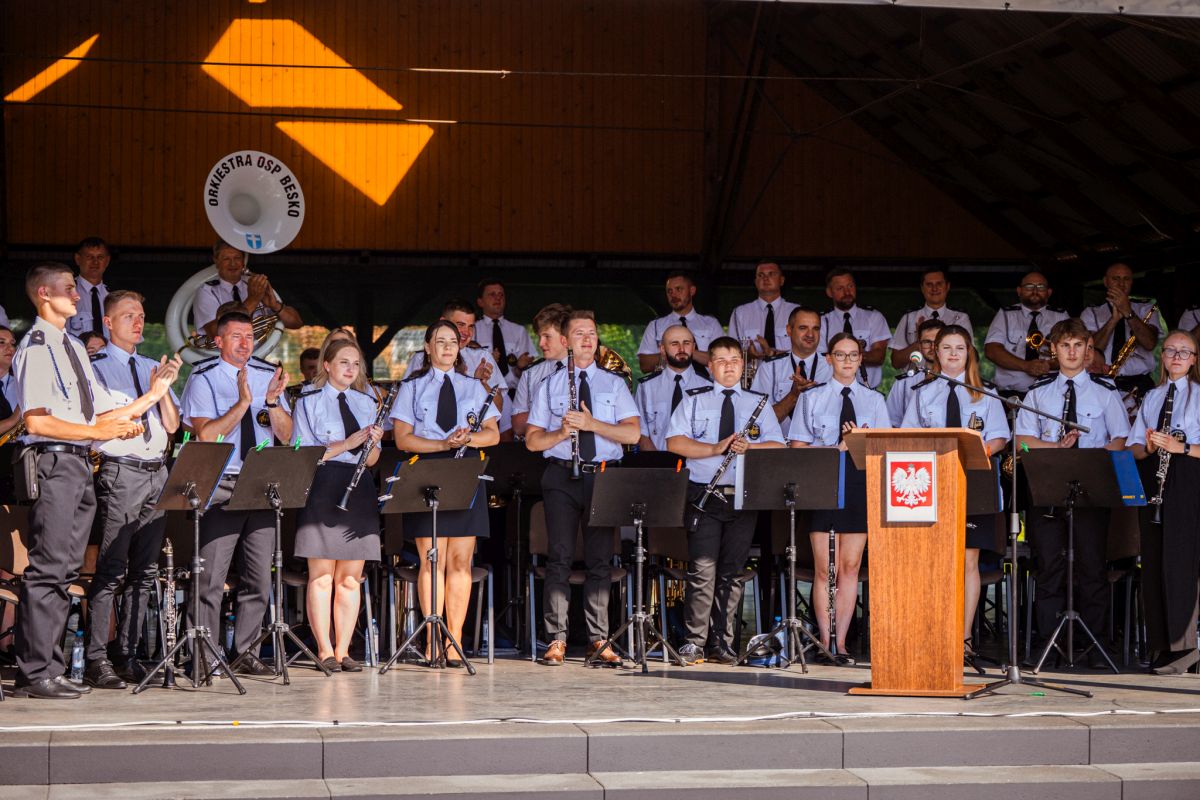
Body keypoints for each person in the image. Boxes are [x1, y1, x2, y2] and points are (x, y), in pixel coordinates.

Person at [9, 263, 147, 699]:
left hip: (80, 462)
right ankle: (36, 672)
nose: (76, 295)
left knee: (66, 569)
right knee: (48, 568)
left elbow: (97, 411)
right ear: (44, 294)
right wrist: (96, 431)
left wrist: (146, 402)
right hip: (54, 460)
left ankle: (51, 667)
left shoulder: (70, 345)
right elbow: (37, 420)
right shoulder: (35, 347)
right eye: (69, 288)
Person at [179, 310, 292, 678]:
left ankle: (246, 652)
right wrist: (242, 404)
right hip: (221, 481)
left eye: (249, 336)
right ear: (218, 341)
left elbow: (288, 436)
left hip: (260, 480)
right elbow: (205, 434)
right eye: (236, 337)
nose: (245, 344)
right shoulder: (204, 377)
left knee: (258, 577)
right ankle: (205, 656)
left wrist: (271, 403)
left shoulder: (268, 374)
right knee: (210, 577)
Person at [525, 310, 640, 666]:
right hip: (561, 475)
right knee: (559, 556)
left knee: (600, 559)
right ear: (566, 341)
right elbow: (532, 441)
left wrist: (593, 424)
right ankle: (556, 639)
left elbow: (632, 433)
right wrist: (561, 433)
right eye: (579, 333)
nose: (588, 339)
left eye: (592, 333)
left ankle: (598, 639)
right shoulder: (549, 385)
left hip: (602, 475)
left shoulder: (614, 384)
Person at [1015, 318, 1128, 669]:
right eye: (1065, 345)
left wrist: (1091, 460)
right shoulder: (1038, 393)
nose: (1072, 352)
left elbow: (1121, 439)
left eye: (1079, 345)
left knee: (1092, 567)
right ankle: (1049, 645)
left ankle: (1095, 646)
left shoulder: (1105, 392)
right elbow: (1022, 442)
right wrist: (1056, 448)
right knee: (1049, 567)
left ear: (1088, 348)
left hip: (1091, 491)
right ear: (1054, 349)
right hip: (1048, 490)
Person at [83, 290, 183, 688]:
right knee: (111, 568)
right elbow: (105, 419)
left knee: (145, 571)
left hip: (157, 471)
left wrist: (165, 390)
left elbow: (172, 425)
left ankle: (127, 653)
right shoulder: (96, 366)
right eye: (128, 316)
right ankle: (96, 658)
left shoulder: (149, 365)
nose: (138, 322)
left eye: (141, 315)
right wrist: (152, 395)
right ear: (109, 323)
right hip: (122, 471)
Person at [665, 336, 785, 664]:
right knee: (702, 569)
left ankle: (722, 642)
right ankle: (694, 642)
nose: (729, 366)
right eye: (721, 360)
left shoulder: (758, 403)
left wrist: (752, 448)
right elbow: (674, 442)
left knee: (732, 571)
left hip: (743, 495)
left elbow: (778, 445)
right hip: (705, 494)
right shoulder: (694, 400)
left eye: (734, 360)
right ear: (710, 366)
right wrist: (714, 448)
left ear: (743, 365)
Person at [390, 320, 500, 665]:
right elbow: (402, 438)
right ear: (427, 347)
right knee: (432, 559)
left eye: (453, 341)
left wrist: (468, 438)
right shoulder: (412, 387)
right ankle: (432, 639)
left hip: (466, 470)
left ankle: (455, 641)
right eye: (440, 341)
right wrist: (442, 444)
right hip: (428, 469)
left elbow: (493, 434)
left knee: (460, 562)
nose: (448, 347)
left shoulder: (474, 386)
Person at [901, 324, 1009, 666]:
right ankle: (934, 635)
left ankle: (963, 639)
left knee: (967, 561)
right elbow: (907, 435)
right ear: (936, 352)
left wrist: (980, 450)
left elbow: (1000, 437)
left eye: (959, 348)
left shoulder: (986, 393)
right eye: (946, 347)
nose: (952, 354)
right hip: (932, 481)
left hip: (974, 479)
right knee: (934, 561)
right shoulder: (922, 392)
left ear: (969, 353)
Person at [788, 332, 891, 664]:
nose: (847, 360)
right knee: (825, 570)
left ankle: (841, 643)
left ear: (861, 360)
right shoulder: (812, 398)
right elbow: (797, 448)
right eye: (840, 354)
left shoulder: (874, 400)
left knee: (849, 566)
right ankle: (824, 639)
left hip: (860, 484)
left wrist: (859, 444)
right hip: (823, 482)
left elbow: (885, 448)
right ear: (829, 359)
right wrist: (837, 448)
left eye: (853, 355)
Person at [292, 339, 385, 673]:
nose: (351, 369)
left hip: (358, 486)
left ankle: (344, 650)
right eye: (344, 362)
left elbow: (372, 460)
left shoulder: (366, 402)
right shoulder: (308, 400)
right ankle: (324, 649)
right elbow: (302, 451)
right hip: (323, 482)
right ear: (327, 365)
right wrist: (348, 443)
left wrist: (373, 444)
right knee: (321, 576)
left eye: (356, 364)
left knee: (349, 578)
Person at [1126, 330, 1200, 675]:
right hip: (1155, 480)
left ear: (1194, 359)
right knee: (1153, 564)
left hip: (1188, 481)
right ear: (1162, 357)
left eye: (1184, 352)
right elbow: (1133, 449)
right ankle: (1160, 645)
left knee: (1180, 564)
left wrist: (1180, 447)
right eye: (1171, 350)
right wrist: (1150, 447)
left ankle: (1183, 649)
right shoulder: (1153, 397)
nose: (1177, 357)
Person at [984, 271, 1069, 398]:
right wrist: (1026, 366)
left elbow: (1073, 353)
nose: (1035, 291)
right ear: (1019, 291)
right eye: (1029, 286)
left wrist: (1049, 365)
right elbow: (991, 350)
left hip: (1051, 394)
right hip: (1010, 395)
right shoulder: (1006, 314)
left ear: (1049, 292)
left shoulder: (1061, 316)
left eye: (1040, 287)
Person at [193, 240, 303, 336]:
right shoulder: (206, 291)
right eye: (226, 258)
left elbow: (296, 323)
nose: (233, 263)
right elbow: (215, 332)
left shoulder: (255, 285)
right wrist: (252, 300)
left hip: (259, 352)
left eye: (237, 258)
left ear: (243, 261)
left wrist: (275, 305)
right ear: (216, 262)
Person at [1081, 262, 1160, 396]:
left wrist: (1128, 313)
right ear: (1106, 282)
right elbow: (1091, 351)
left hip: (1139, 383)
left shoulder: (1146, 309)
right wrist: (1113, 320)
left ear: (1131, 282)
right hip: (1102, 381)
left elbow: (1150, 343)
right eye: (1115, 278)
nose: (1121, 284)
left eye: (1126, 279)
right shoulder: (1091, 312)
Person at [751, 307, 830, 429]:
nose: (810, 334)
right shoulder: (769, 367)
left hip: (822, 440)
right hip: (780, 441)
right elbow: (756, 421)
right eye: (803, 328)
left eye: (816, 328)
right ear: (789, 330)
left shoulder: (833, 366)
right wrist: (793, 395)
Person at [635, 323, 711, 451]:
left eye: (686, 343)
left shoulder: (709, 387)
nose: (681, 349)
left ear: (693, 348)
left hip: (696, 461)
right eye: (674, 344)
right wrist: (658, 461)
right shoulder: (646, 388)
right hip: (658, 460)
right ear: (663, 349)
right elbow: (641, 433)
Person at [637, 271, 724, 374]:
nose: (673, 295)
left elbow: (722, 359)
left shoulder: (711, 324)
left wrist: (687, 351)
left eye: (678, 289)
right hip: (667, 383)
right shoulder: (655, 325)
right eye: (669, 291)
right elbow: (644, 365)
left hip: (705, 383)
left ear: (692, 291)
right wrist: (672, 354)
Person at [819, 268, 891, 389]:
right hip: (832, 391)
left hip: (867, 390)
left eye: (850, 286)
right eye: (840, 288)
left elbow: (879, 357)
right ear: (829, 292)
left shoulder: (873, 316)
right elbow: (820, 359)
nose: (847, 292)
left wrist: (845, 354)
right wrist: (857, 354)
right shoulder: (822, 321)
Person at [889, 268, 973, 370]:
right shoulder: (909, 318)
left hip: (950, 378)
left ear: (947, 286)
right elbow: (896, 362)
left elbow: (970, 357)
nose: (934, 289)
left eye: (939, 284)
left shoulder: (960, 318)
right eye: (929, 284)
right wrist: (919, 342)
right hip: (915, 378)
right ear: (922, 288)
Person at [512, 304, 571, 438]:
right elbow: (517, 426)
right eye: (539, 336)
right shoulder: (530, 374)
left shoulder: (586, 371)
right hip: (538, 447)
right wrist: (558, 411)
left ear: (565, 337)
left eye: (547, 336)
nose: (540, 343)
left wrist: (538, 415)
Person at [473, 278, 537, 394]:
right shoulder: (472, 330)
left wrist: (519, 368)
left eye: (501, 295)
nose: (498, 298)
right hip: (481, 392)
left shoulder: (519, 331)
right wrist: (488, 360)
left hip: (513, 394)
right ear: (480, 302)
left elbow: (529, 373)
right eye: (492, 294)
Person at [728, 261, 798, 360]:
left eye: (771, 274)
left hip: (789, 370)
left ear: (782, 280)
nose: (765, 278)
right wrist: (748, 354)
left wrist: (772, 353)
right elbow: (730, 353)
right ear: (756, 282)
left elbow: (807, 352)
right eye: (761, 275)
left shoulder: (797, 312)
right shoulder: (740, 313)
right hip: (754, 370)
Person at [885, 318, 945, 426]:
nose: (932, 347)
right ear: (919, 346)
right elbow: (891, 424)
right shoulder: (903, 383)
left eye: (937, 342)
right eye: (927, 342)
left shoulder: (957, 381)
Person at [66, 237, 111, 340]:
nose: (95, 262)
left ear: (107, 261)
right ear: (78, 259)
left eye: (100, 257)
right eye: (89, 257)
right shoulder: (66, 294)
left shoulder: (113, 296)